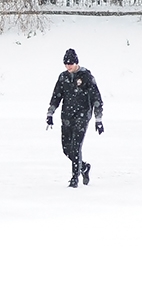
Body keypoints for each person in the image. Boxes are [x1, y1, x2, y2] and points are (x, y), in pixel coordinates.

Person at [46, 48, 104, 188]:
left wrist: (98, 119)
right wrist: (50, 113)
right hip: (67, 116)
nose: (68, 66)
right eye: (66, 64)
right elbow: (56, 96)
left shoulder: (86, 76)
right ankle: (83, 167)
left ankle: (74, 178)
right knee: (67, 149)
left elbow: (96, 98)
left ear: (76, 62)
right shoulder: (63, 77)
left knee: (76, 146)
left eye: (70, 63)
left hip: (82, 115)